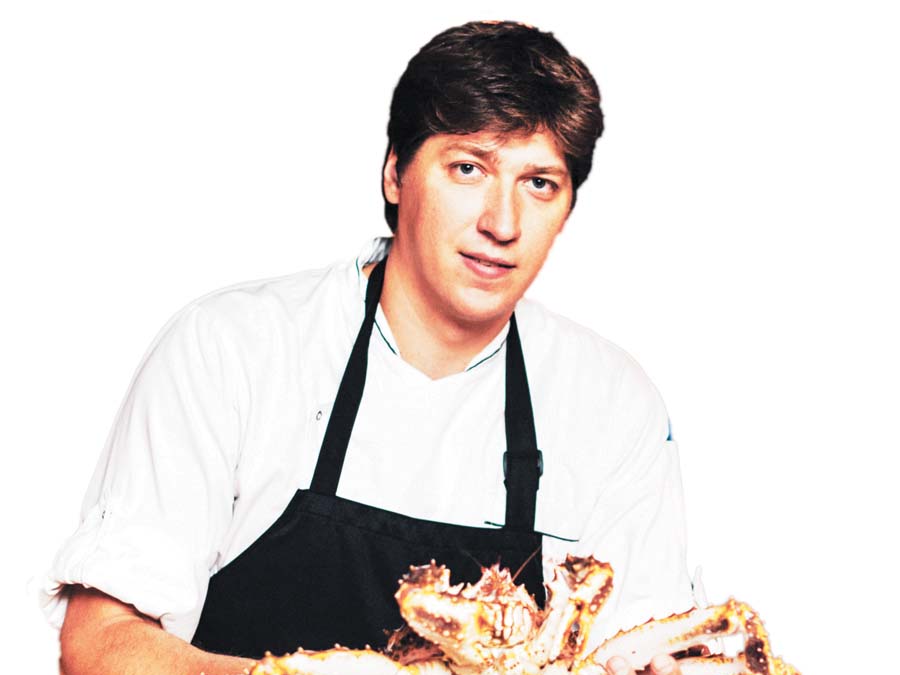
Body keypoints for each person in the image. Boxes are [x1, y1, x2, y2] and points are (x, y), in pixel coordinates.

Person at [46, 21, 695, 675]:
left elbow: (645, 652)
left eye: (540, 183)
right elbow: (100, 642)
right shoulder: (234, 349)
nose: (502, 223)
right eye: (468, 169)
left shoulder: (612, 404)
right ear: (395, 174)